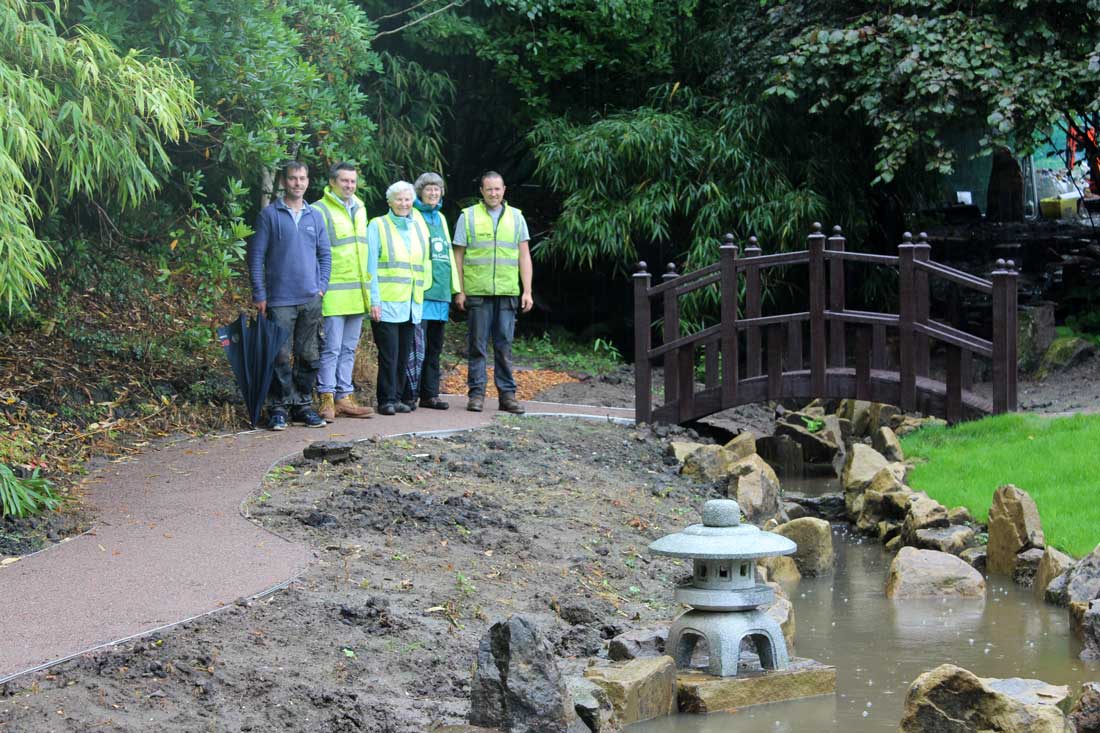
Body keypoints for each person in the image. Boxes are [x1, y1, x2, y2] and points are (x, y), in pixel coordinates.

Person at [247, 161, 330, 430]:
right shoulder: (269, 215)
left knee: (309, 354)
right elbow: (256, 256)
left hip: (310, 298)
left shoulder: (315, 215)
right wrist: (260, 293)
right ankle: (279, 407)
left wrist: (322, 286)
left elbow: (325, 254)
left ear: (308, 181)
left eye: (302, 178)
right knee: (279, 355)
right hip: (279, 299)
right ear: (284, 182)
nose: (298, 183)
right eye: (293, 178)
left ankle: (303, 405)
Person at [452, 171, 533, 414]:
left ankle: (507, 396)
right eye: (489, 189)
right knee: (477, 346)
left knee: (504, 345)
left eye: (497, 189)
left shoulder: (517, 217)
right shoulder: (467, 216)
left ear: (504, 190)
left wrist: (527, 290)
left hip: (507, 292)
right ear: (482, 191)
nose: (493, 193)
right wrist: (460, 290)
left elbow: (524, 255)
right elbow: (458, 255)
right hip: (478, 291)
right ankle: (476, 395)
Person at [312, 162, 374, 420]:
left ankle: (343, 397)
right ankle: (326, 397)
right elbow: (313, 252)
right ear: (332, 182)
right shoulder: (319, 209)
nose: (349, 185)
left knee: (349, 349)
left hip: (357, 293)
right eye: (344, 181)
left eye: (352, 181)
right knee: (331, 348)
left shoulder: (360, 208)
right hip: (333, 292)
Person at [367, 180, 433, 416]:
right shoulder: (378, 225)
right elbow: (370, 266)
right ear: (389, 202)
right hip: (385, 303)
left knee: (404, 354)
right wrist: (374, 300)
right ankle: (385, 399)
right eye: (399, 199)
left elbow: (424, 263)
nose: (404, 203)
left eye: (407, 199)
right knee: (389, 355)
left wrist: (421, 295)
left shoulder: (417, 226)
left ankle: (398, 397)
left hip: (411, 303)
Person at [405, 172, 460, 410]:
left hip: (441, 292)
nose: (433, 193)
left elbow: (447, 256)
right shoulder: (412, 215)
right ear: (420, 191)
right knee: (416, 347)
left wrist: (455, 289)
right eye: (429, 189)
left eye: (437, 189)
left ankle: (430, 394)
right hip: (421, 292)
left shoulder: (442, 218)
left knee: (435, 348)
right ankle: (410, 394)